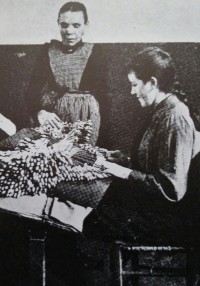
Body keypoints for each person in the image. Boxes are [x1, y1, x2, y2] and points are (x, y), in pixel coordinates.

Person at [83, 46, 200, 244]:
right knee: (97, 209)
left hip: (170, 218)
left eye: (135, 85)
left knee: (93, 220)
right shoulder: (162, 110)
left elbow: (171, 190)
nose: (132, 91)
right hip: (157, 209)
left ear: (152, 83)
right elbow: (158, 162)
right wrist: (125, 160)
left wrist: (121, 171)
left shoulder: (174, 117)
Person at [25, 2, 106, 145]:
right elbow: (32, 90)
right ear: (58, 24)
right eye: (64, 25)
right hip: (55, 117)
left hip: (87, 119)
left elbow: (105, 97)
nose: (69, 31)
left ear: (86, 25)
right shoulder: (47, 51)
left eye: (76, 25)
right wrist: (39, 112)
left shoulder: (95, 53)